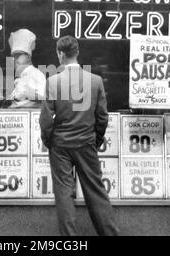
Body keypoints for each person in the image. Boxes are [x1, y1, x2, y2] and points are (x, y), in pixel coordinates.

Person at [39, 35, 119, 236]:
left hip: (61, 144)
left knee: (64, 194)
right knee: (96, 192)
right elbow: (102, 117)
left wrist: (50, 142)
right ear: (77, 52)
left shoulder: (53, 82)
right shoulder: (96, 81)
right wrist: (95, 139)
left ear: (60, 53)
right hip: (86, 142)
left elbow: (46, 120)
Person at [7, 29, 46, 108]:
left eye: (19, 55)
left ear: (28, 57)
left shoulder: (37, 74)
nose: (15, 59)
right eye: (14, 56)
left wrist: (26, 94)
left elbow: (43, 99)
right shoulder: (19, 77)